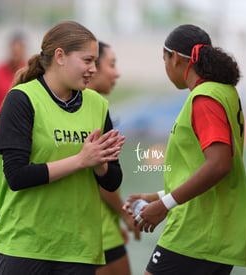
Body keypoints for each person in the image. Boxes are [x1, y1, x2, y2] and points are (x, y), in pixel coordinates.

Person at [0, 20, 125, 275]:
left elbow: (113, 180)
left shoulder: (97, 105)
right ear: (60, 56)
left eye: (95, 62)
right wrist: (81, 160)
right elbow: (17, 176)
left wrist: (101, 165)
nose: (93, 69)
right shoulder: (22, 99)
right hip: (25, 245)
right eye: (87, 60)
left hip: (79, 248)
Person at [123, 24, 246, 275]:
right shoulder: (224, 91)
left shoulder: (204, 98)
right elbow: (200, 168)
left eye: (164, 59)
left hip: (196, 234)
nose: (166, 67)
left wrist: (164, 205)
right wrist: (158, 196)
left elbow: (219, 164)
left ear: (177, 59)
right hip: (214, 232)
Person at [87, 41, 139, 275]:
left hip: (100, 225)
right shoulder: (87, 107)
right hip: (94, 230)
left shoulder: (91, 105)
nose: (117, 72)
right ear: (92, 67)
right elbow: (99, 175)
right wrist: (124, 215)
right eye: (112, 64)